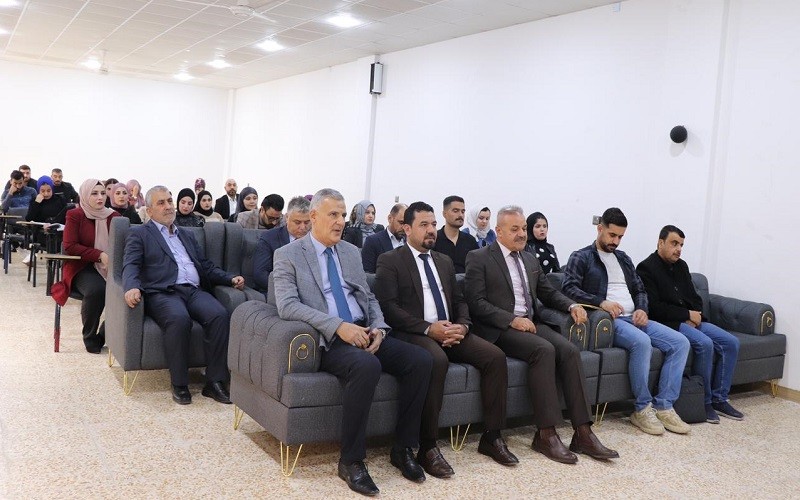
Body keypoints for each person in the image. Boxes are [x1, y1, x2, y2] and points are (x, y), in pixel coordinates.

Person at [272, 188, 432, 496]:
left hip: (364, 330)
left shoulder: (349, 251)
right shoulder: (288, 255)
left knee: (420, 361)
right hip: (330, 338)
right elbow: (288, 306)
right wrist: (338, 327)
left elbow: (368, 296)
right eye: (333, 214)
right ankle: (351, 461)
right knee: (366, 366)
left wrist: (379, 328)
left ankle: (403, 448)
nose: (340, 221)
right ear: (314, 216)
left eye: (343, 215)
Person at [465, 205, 618, 464]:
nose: (521, 234)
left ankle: (583, 432)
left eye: (523, 228)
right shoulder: (479, 257)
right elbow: (476, 302)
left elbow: (548, 292)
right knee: (543, 350)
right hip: (499, 328)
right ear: (498, 231)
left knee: (569, 350)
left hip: (531, 322)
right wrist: (512, 320)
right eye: (514, 229)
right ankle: (546, 434)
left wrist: (571, 305)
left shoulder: (529, 258)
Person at [374, 201, 512, 475]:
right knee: (436, 359)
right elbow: (389, 309)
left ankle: (492, 436)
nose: (431, 230)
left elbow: (460, 301)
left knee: (495, 357)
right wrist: (429, 328)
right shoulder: (390, 260)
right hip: (414, 332)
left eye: (434, 224)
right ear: (407, 228)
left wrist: (463, 326)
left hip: (450, 330)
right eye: (424, 225)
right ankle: (427, 446)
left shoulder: (444, 261)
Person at [562, 207, 691, 435]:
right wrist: (601, 302)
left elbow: (640, 289)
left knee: (680, 342)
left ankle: (664, 405)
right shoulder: (581, 257)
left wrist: (642, 308)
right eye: (612, 235)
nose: (616, 241)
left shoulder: (623, 258)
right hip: (612, 320)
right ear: (600, 228)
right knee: (641, 342)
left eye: (620, 237)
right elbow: (569, 288)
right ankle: (642, 409)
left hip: (635, 317)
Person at [122, 186, 245, 405]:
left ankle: (215, 382)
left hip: (193, 290)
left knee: (219, 314)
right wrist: (131, 287)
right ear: (149, 211)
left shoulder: (186, 235)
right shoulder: (140, 234)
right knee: (179, 319)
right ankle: (179, 383)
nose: (168, 206)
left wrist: (229, 278)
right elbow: (131, 264)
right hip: (163, 292)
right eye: (161, 203)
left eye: (170, 201)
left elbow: (205, 266)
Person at [637, 225, 743, 422]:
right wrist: (686, 314)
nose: (678, 249)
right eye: (674, 243)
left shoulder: (682, 266)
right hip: (669, 323)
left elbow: (695, 298)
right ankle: (704, 402)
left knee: (731, 343)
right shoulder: (646, 268)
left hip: (692, 321)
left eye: (681, 245)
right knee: (704, 343)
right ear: (660, 243)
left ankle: (720, 398)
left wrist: (696, 314)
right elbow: (654, 307)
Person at [51, 179, 120, 353]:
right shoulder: (75, 215)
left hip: (111, 266)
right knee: (97, 289)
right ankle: (90, 338)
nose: (100, 197)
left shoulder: (114, 217)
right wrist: (99, 255)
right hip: (81, 267)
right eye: (94, 194)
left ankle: (104, 334)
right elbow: (70, 246)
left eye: (103, 193)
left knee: (130, 291)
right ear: (85, 195)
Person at [252, 196, 311, 295]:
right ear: (287, 217)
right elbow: (260, 275)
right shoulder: (269, 238)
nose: (302, 227)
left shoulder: (316, 239)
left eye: (307, 222)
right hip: (278, 292)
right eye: (297, 222)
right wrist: (289, 289)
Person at [432, 195, 478, 273]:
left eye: (463, 211)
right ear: (444, 214)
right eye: (455, 211)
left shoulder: (470, 241)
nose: (460, 215)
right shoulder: (434, 239)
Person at [361, 203, 406, 273]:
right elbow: (367, 274)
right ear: (390, 218)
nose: (404, 227)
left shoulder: (411, 242)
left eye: (407, 224)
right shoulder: (373, 241)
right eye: (401, 222)